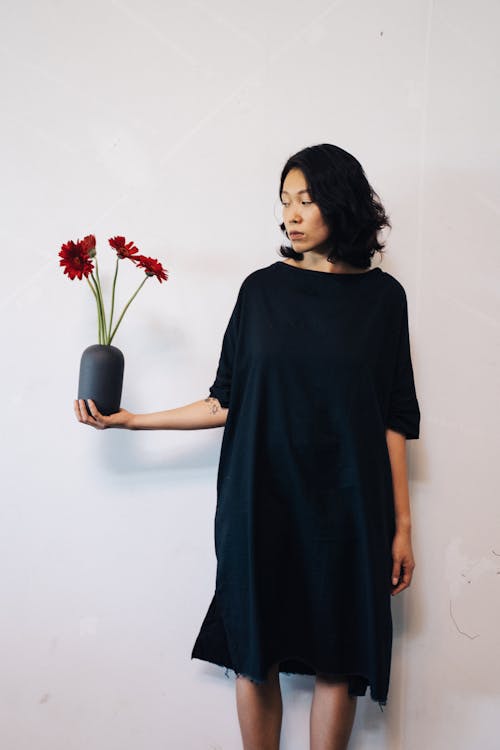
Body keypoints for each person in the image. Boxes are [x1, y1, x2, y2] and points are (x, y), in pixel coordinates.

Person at [74, 143, 420, 750]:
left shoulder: (385, 300)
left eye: (306, 201)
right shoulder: (260, 291)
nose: (291, 214)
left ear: (340, 203)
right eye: (284, 202)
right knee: (253, 649)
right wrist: (133, 421)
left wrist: (403, 527)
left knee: (336, 653)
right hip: (260, 498)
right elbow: (224, 399)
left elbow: (395, 417)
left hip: (350, 509)